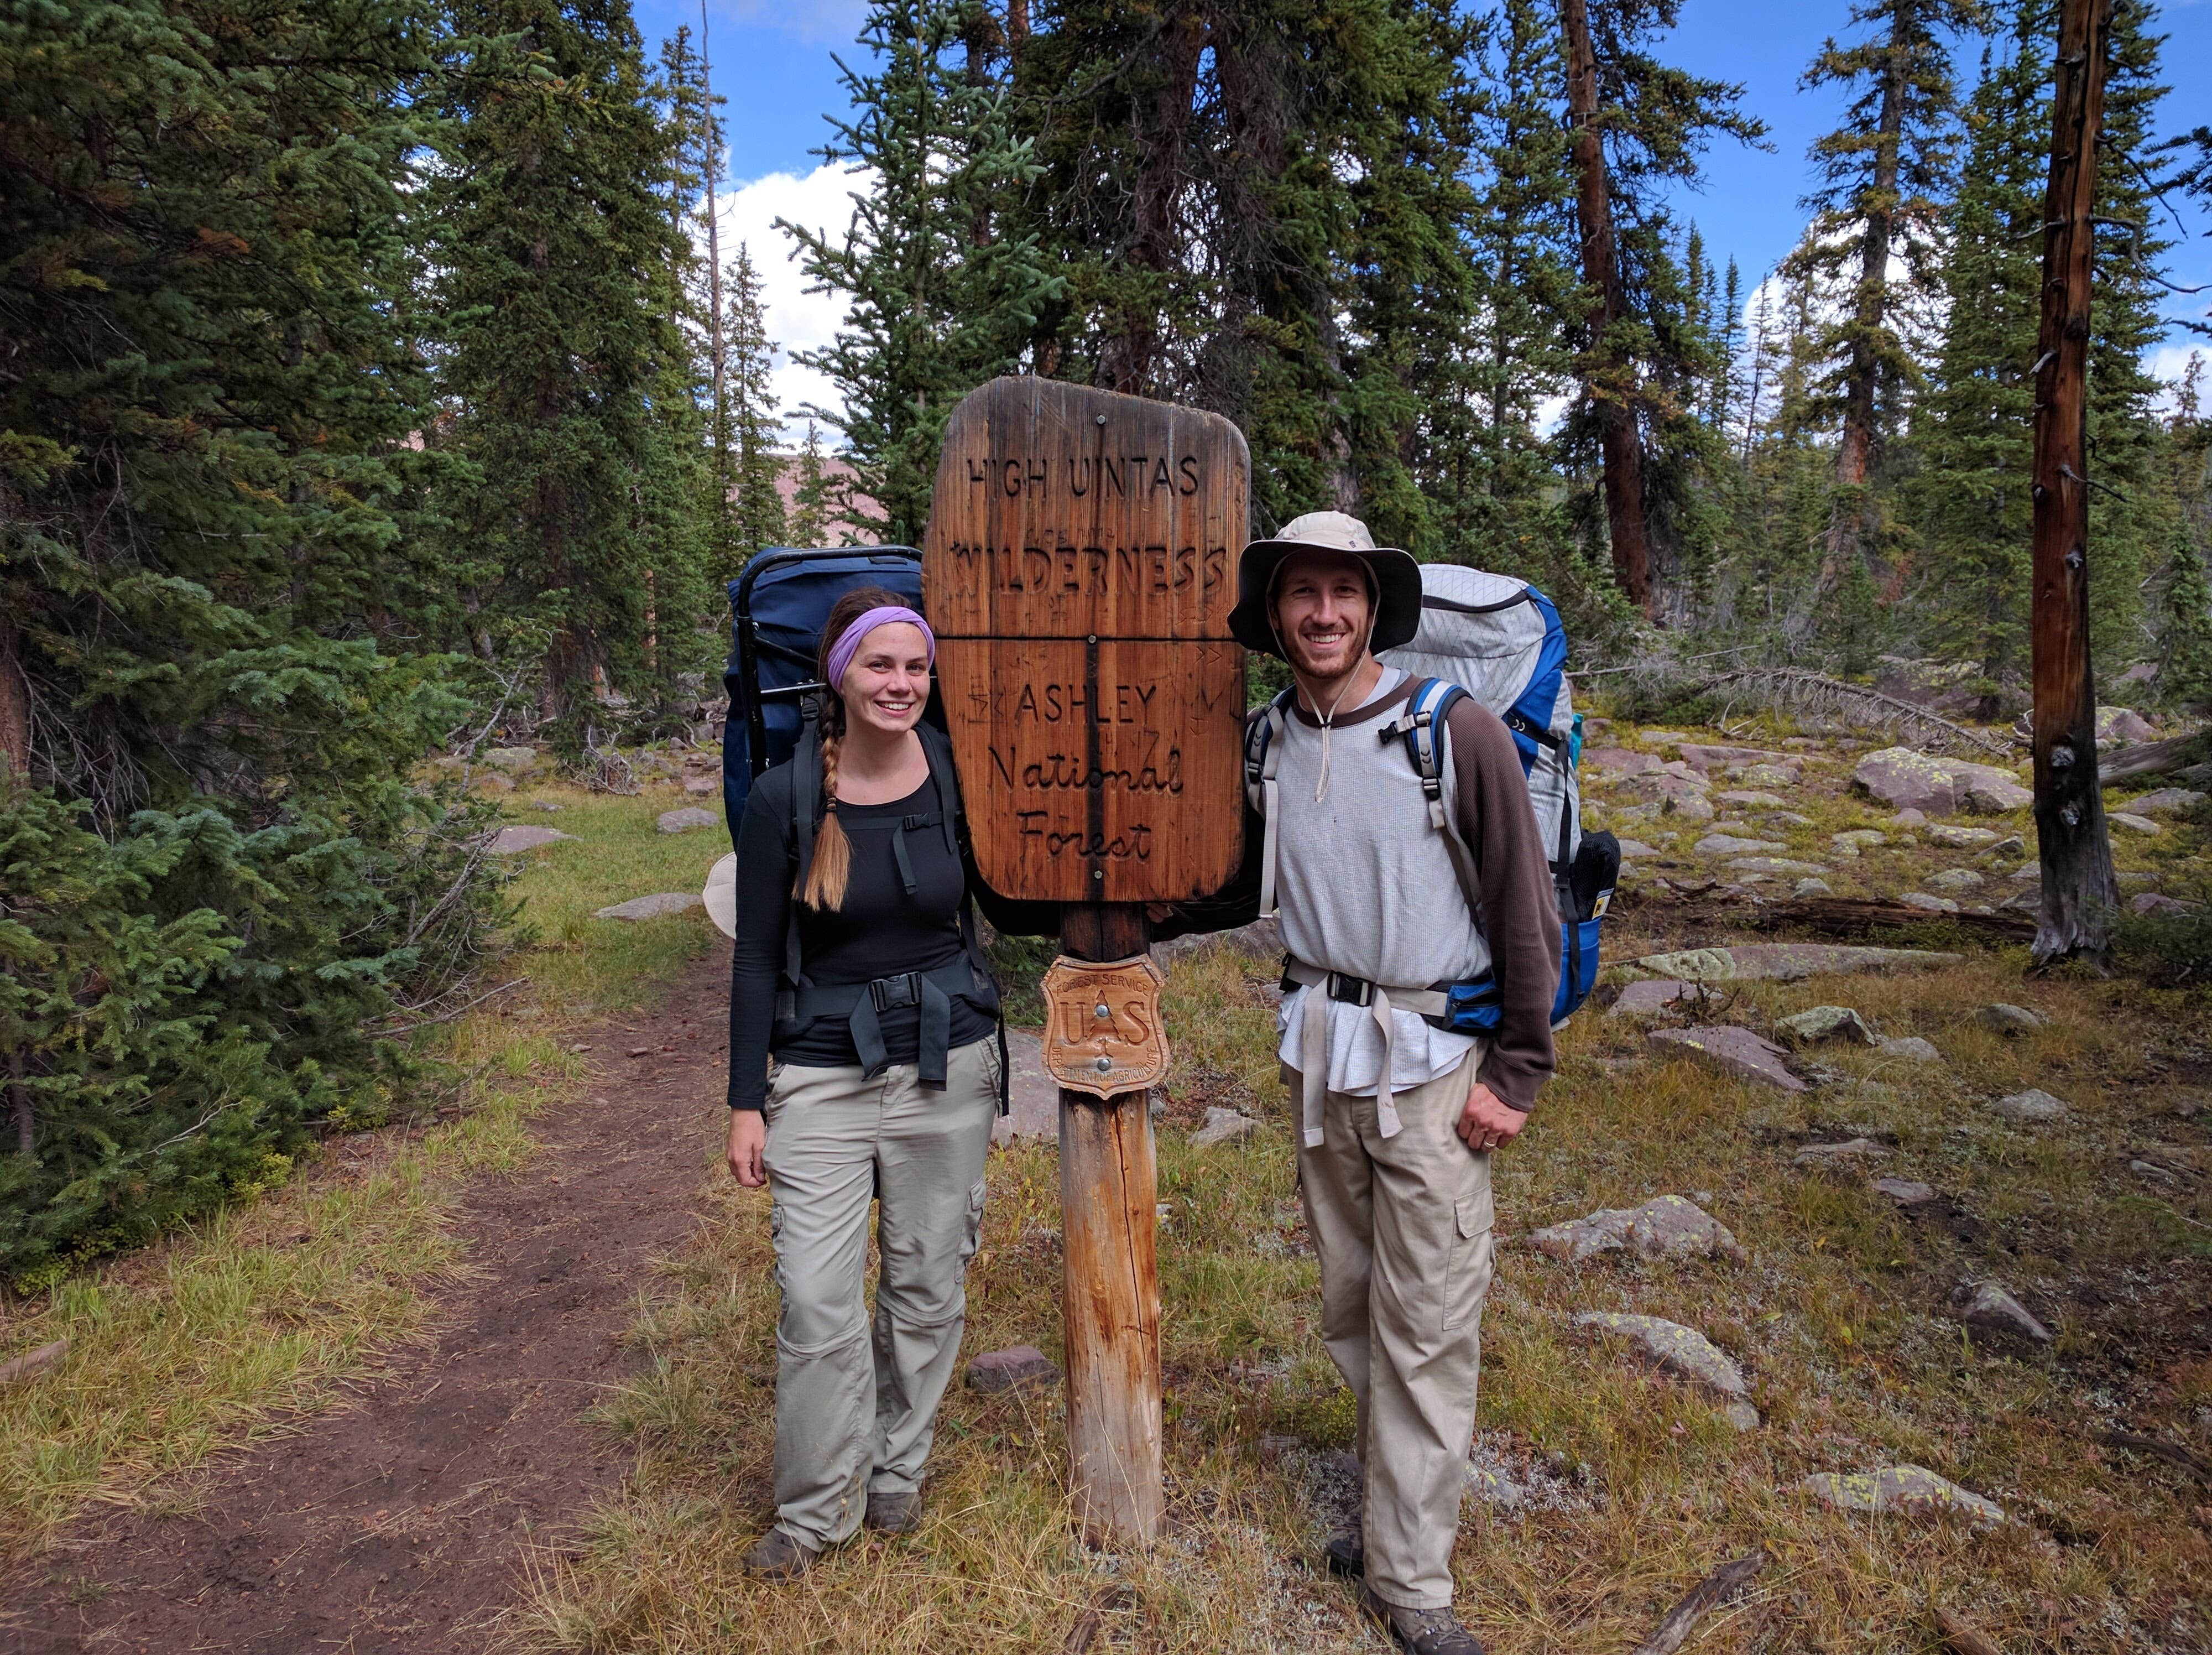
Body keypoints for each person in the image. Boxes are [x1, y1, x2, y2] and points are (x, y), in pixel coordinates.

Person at [1227, 512, 1561, 1655]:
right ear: (1273, 610)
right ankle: (1386, 1521)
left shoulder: (1446, 730)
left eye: (1344, 593)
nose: (1323, 612)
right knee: (1352, 1306)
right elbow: (1232, 877)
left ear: (1373, 608)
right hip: (1319, 1055)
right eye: (1301, 593)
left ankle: (1409, 1582)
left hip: (1430, 1067)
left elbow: (1524, 904)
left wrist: (1515, 1069)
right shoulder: (1270, 735)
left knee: (1424, 1318)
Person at [724, 587, 1007, 1578]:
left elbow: (1017, 895)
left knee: (927, 1286)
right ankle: (812, 1514)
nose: (900, 684)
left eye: (915, 667)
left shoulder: (962, 775)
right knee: (815, 1301)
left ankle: (895, 1472)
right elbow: (756, 955)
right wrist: (744, 1101)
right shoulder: (785, 797)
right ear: (839, 674)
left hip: (949, 1062)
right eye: (880, 665)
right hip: (819, 1072)